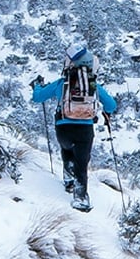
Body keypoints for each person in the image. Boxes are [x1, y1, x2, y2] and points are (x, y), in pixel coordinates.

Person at [29, 49, 119, 210]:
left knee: (67, 149)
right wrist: (107, 113)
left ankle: (69, 177)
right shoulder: (93, 85)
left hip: (63, 127)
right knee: (82, 162)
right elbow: (111, 105)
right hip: (85, 128)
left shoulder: (62, 83)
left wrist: (37, 86)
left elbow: (38, 97)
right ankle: (81, 198)